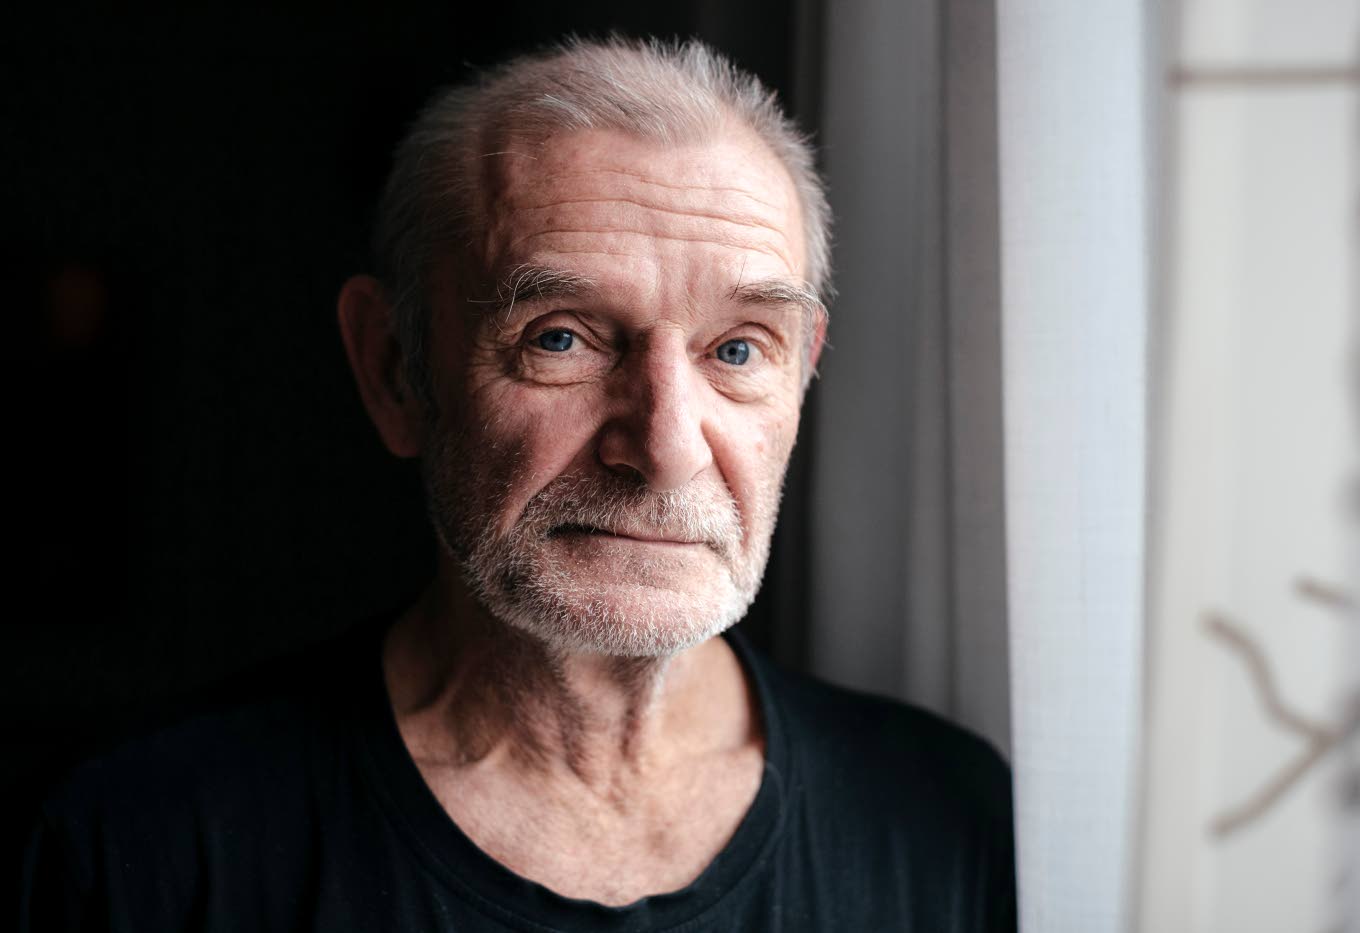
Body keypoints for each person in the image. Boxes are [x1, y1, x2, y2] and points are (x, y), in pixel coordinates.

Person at [19, 37, 1015, 931]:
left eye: (739, 349)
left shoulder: (948, 822)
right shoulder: (142, 848)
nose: (666, 446)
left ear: (802, 375)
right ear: (395, 370)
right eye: (561, 337)